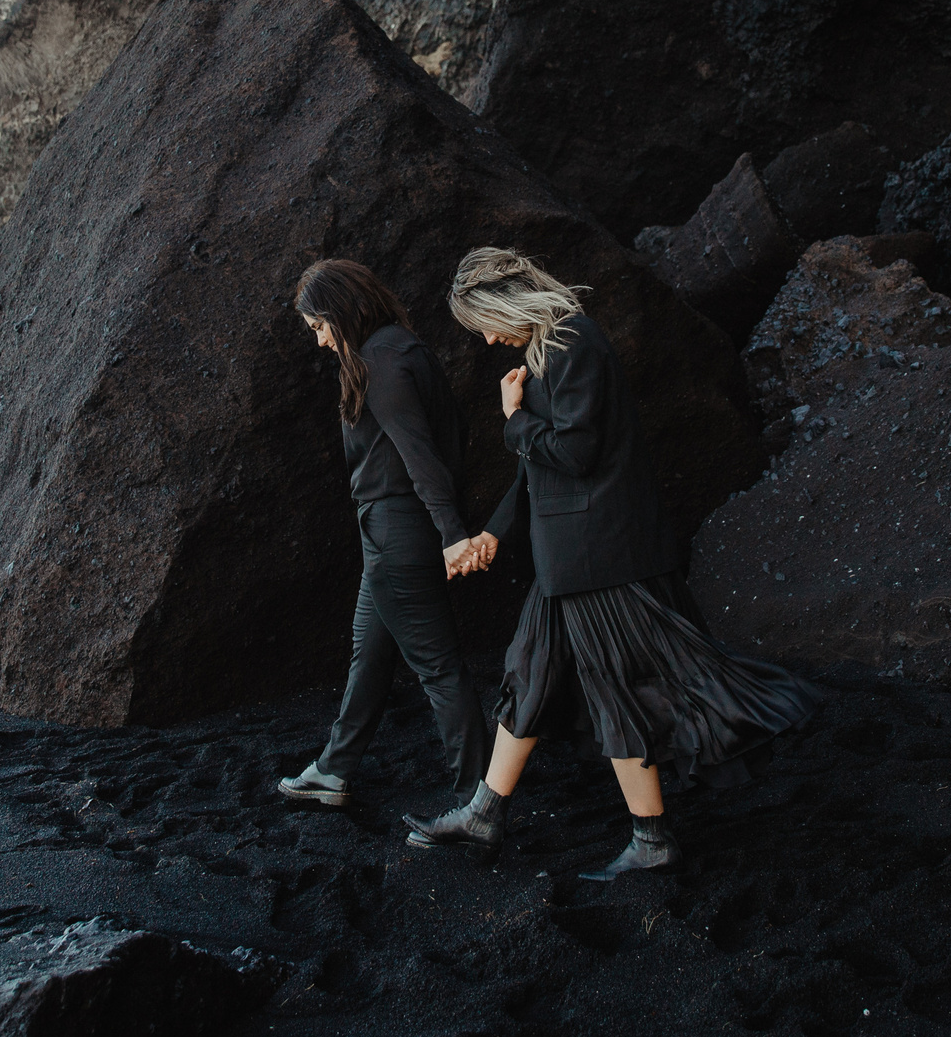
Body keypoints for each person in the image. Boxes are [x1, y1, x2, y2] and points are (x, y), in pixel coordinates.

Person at [405, 247, 820, 880]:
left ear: (509, 304)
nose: (489, 339)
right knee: (530, 671)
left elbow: (574, 453)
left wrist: (512, 420)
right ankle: (484, 814)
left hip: (599, 556)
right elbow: (544, 468)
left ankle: (651, 840)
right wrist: (493, 532)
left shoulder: (573, 342)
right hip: (568, 556)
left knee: (618, 689)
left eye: (486, 323)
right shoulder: (553, 349)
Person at [278, 259, 493, 807]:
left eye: (319, 327)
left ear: (339, 311)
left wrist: (452, 533)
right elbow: (454, 435)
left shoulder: (382, 362)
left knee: (440, 668)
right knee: (369, 653)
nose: (322, 342)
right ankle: (333, 770)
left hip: (400, 532)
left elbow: (421, 456)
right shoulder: (401, 347)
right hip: (392, 533)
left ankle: (479, 800)